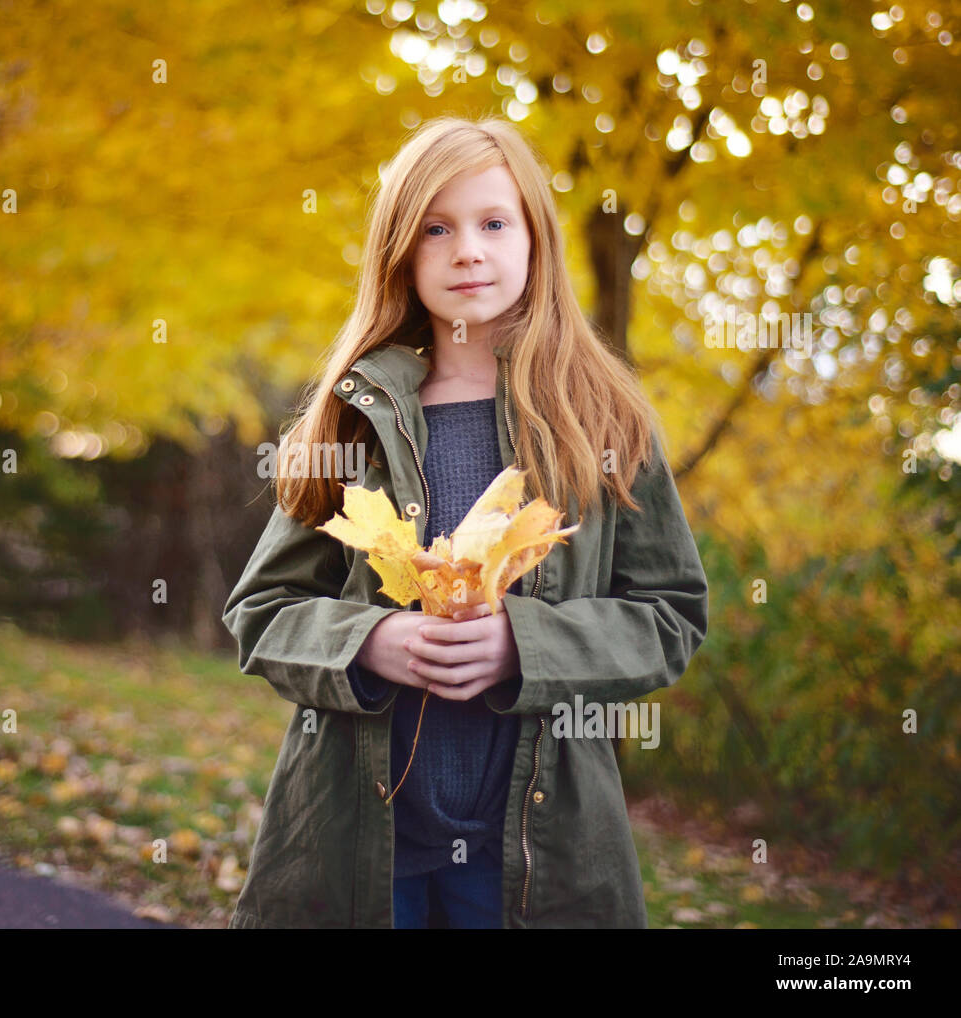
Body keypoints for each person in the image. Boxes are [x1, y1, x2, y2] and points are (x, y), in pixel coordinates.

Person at [221, 115, 709, 929]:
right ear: (401, 255)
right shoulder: (352, 422)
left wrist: (527, 643)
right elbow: (260, 614)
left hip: (535, 858)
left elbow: (669, 616)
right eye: (435, 230)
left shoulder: (606, 424)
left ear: (535, 241)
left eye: (492, 223)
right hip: (357, 855)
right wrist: (368, 643)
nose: (467, 250)